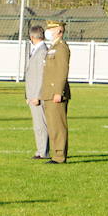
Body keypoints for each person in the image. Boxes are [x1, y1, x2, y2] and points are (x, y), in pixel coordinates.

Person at [40, 20, 71, 164]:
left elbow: (62, 71)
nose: (48, 31)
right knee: (52, 126)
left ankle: (59, 156)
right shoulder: (53, 47)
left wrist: (58, 91)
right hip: (48, 92)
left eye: (51, 28)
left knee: (58, 125)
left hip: (55, 93)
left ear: (59, 30)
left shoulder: (61, 48)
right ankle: (56, 153)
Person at [24, 25, 49, 160]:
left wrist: (37, 96)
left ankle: (43, 151)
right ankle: (40, 149)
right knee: (37, 124)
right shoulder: (37, 50)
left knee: (41, 123)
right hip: (32, 93)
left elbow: (41, 76)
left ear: (32, 37)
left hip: (37, 94)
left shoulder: (42, 51)